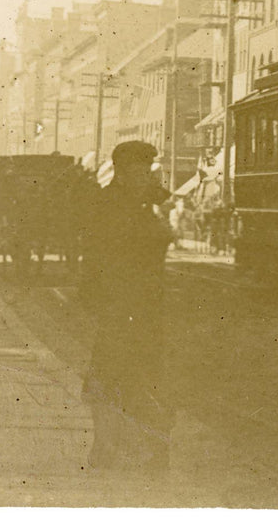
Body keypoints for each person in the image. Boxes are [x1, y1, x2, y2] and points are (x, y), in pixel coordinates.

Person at [80, 141, 175, 472]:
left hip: (146, 302)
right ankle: (106, 447)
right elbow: (109, 251)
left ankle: (146, 450)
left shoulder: (142, 202)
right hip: (119, 300)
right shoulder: (110, 204)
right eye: (139, 171)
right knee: (110, 374)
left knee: (147, 375)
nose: (145, 177)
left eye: (147, 171)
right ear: (121, 171)